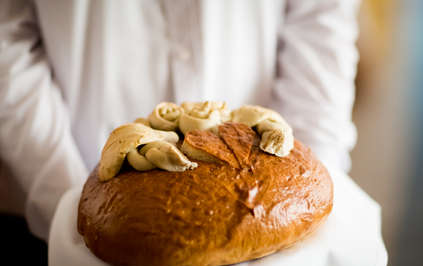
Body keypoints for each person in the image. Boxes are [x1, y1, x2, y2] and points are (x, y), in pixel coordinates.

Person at [0, 0, 359, 242]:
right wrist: (75, 217)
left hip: (268, 198)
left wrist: (303, 210)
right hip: (67, 190)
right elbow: (7, 34)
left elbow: (320, 18)